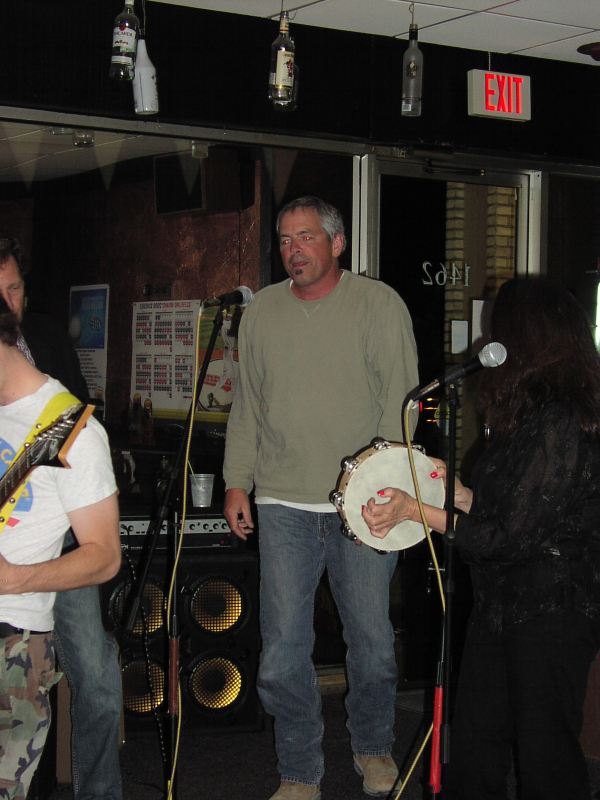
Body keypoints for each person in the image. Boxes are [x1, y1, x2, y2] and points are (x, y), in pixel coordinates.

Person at [362, 276, 600, 800]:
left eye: (502, 328)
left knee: (546, 757)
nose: (494, 340)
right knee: (474, 747)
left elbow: (507, 537)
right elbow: (504, 513)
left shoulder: (562, 422)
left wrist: (416, 511)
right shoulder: (530, 418)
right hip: (500, 607)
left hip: (550, 613)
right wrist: (455, 490)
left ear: (531, 335)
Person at [223, 196, 419, 800]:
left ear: (337, 243)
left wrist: (386, 489)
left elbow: (401, 404)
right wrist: (237, 480)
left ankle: (373, 746)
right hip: (283, 503)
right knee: (281, 654)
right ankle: (300, 768)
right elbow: (248, 404)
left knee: (373, 645)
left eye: (306, 237)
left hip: (363, 504)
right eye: (285, 239)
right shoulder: (261, 312)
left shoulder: (378, 304)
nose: (294, 250)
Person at [0, 237, 123, 800]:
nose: (10, 300)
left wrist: (19, 577)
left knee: (94, 676)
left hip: (59, 550)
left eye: (14, 288)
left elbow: (103, 552)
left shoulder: (61, 410)